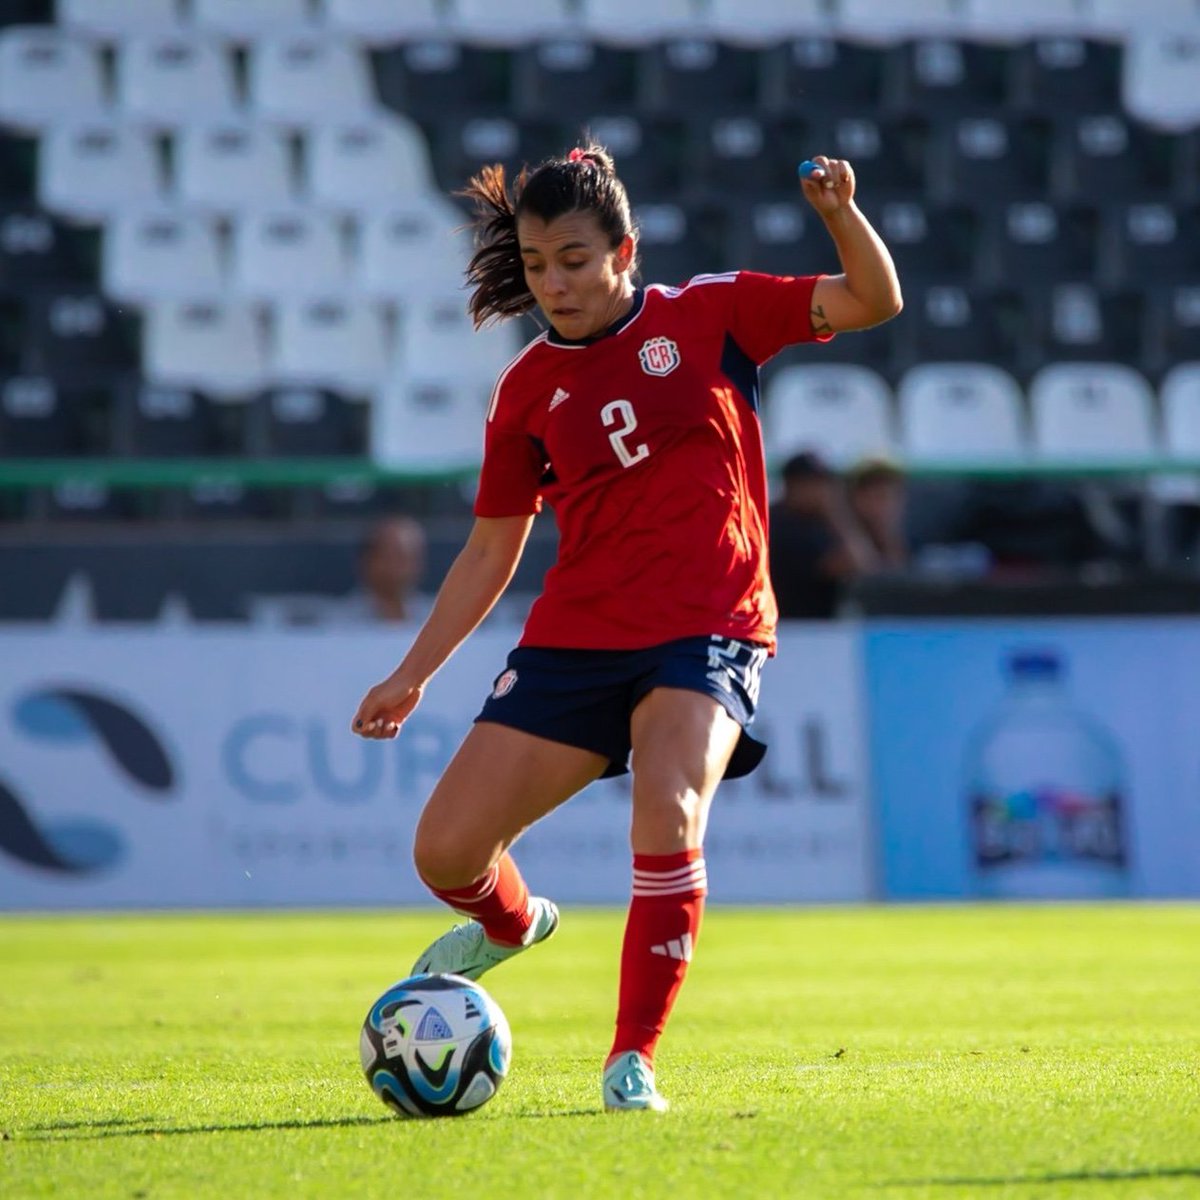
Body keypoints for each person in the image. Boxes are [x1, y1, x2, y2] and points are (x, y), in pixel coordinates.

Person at [351, 144, 902, 1111]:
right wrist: (414, 673)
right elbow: (491, 549)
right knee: (445, 853)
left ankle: (630, 1059)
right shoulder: (525, 389)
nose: (552, 284)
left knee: (670, 805)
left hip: (710, 623)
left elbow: (873, 300)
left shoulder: (713, 312)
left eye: (573, 259)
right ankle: (513, 926)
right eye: (535, 264)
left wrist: (839, 215)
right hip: (580, 636)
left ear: (625, 252)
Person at [769, 450, 881, 619]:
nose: (821, 491)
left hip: (815, 625)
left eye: (822, 483)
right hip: (791, 624)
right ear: (791, 485)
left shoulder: (818, 521)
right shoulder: (779, 524)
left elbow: (869, 565)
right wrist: (837, 513)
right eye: (811, 483)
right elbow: (857, 564)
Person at [846, 455, 909, 570]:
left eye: (885, 495)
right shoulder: (835, 545)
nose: (879, 506)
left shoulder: (903, 545)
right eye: (869, 495)